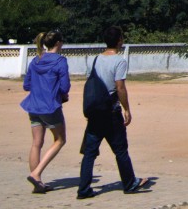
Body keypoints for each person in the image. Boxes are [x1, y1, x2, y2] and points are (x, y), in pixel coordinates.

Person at [77, 26, 151, 199]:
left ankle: (83, 189)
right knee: (120, 150)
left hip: (95, 112)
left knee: (89, 152)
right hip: (111, 112)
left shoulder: (94, 60)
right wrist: (127, 109)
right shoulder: (119, 61)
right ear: (119, 41)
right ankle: (129, 182)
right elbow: (120, 87)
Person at [21, 29, 70, 194]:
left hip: (33, 105)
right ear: (58, 43)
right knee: (60, 140)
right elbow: (65, 86)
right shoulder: (60, 61)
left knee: (36, 143)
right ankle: (36, 174)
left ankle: (38, 182)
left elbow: (26, 85)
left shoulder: (35, 60)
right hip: (50, 107)